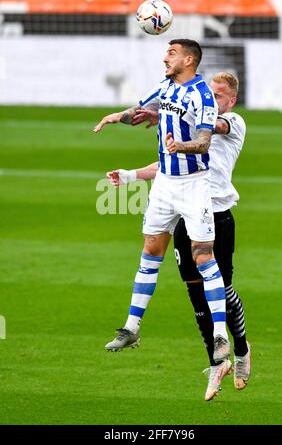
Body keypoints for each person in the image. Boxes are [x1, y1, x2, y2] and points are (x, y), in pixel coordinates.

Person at [106, 72, 250, 401]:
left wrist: (170, 114)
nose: (213, 100)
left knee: (223, 291)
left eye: (219, 96)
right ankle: (217, 363)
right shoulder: (193, 124)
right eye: (209, 94)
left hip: (217, 214)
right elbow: (167, 166)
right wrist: (130, 175)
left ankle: (242, 350)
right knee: (196, 294)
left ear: (231, 101)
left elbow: (214, 126)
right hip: (186, 212)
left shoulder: (233, 122)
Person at [93, 39, 231, 367]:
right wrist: (118, 116)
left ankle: (220, 334)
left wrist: (179, 146)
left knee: (203, 256)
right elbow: (141, 111)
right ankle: (132, 327)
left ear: (189, 59)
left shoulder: (202, 96)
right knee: (151, 251)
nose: (165, 58)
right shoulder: (167, 86)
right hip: (164, 185)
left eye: (171, 53)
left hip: (194, 186)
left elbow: (203, 142)